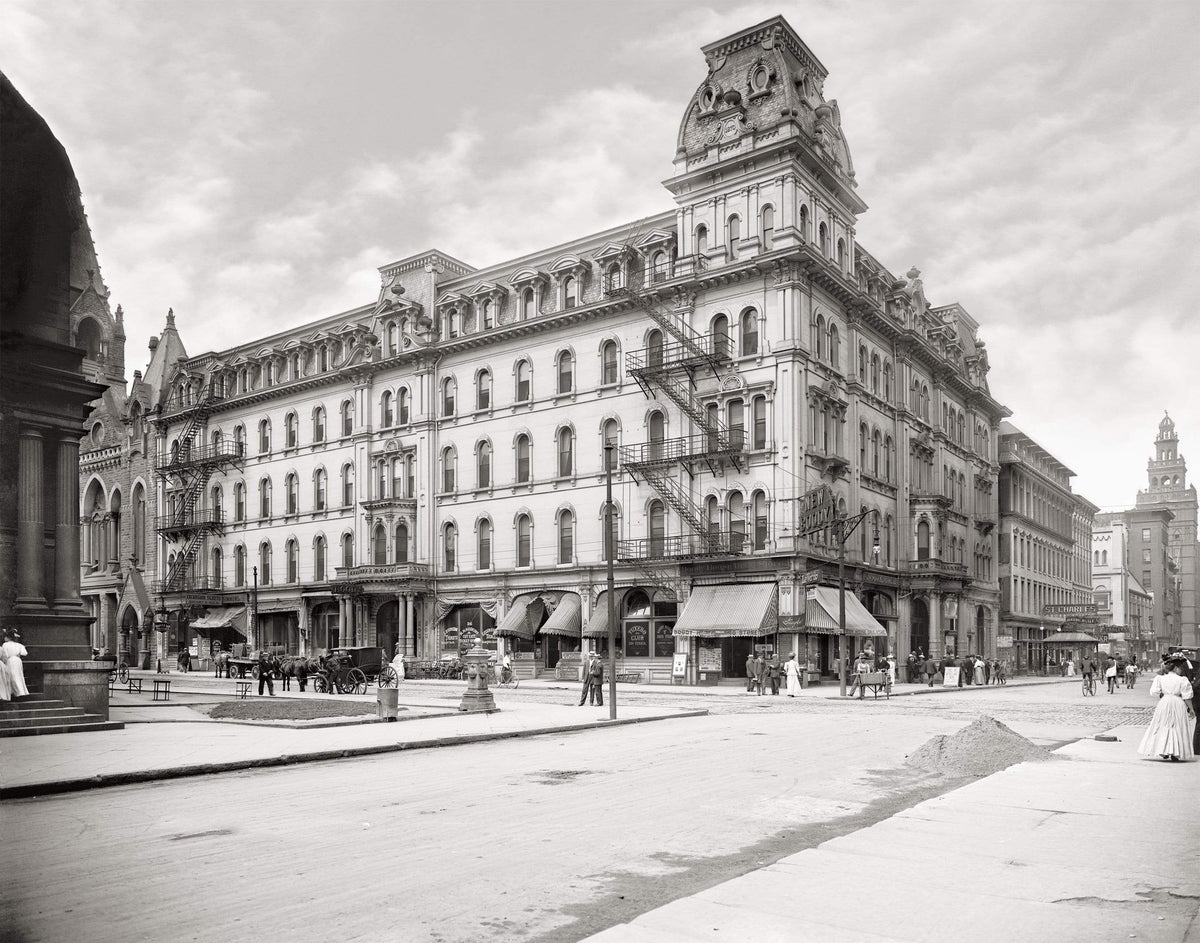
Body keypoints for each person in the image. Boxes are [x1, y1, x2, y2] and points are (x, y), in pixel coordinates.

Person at [1137, 656, 1194, 761]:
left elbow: (1154, 692)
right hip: (1178, 702)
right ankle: (1175, 752)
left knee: (1163, 724)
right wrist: (1191, 709)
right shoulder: (1182, 680)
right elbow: (1187, 696)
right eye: (1180, 668)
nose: (1181, 670)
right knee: (1177, 725)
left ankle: (1162, 749)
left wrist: (1164, 692)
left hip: (1165, 702)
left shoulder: (1160, 678)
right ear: (1176, 668)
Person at [2, 629, 29, 698]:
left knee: (12, 675)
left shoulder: (5, 645)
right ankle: (20, 691)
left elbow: (5, 654)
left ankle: (15, 692)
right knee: (18, 675)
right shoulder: (19, 645)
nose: (4, 638)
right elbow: (25, 653)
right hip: (17, 660)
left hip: (10, 660)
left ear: (8, 637)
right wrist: (18, 654)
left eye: (5, 637)